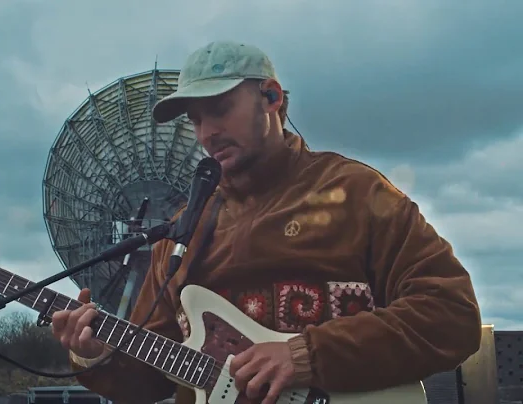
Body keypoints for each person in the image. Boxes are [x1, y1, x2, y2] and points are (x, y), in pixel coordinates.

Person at [50, 41, 482, 404]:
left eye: (219, 109)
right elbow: (155, 379)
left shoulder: (356, 194)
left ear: (272, 98)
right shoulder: (181, 235)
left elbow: (451, 315)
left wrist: (307, 356)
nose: (205, 133)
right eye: (196, 120)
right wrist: (96, 356)